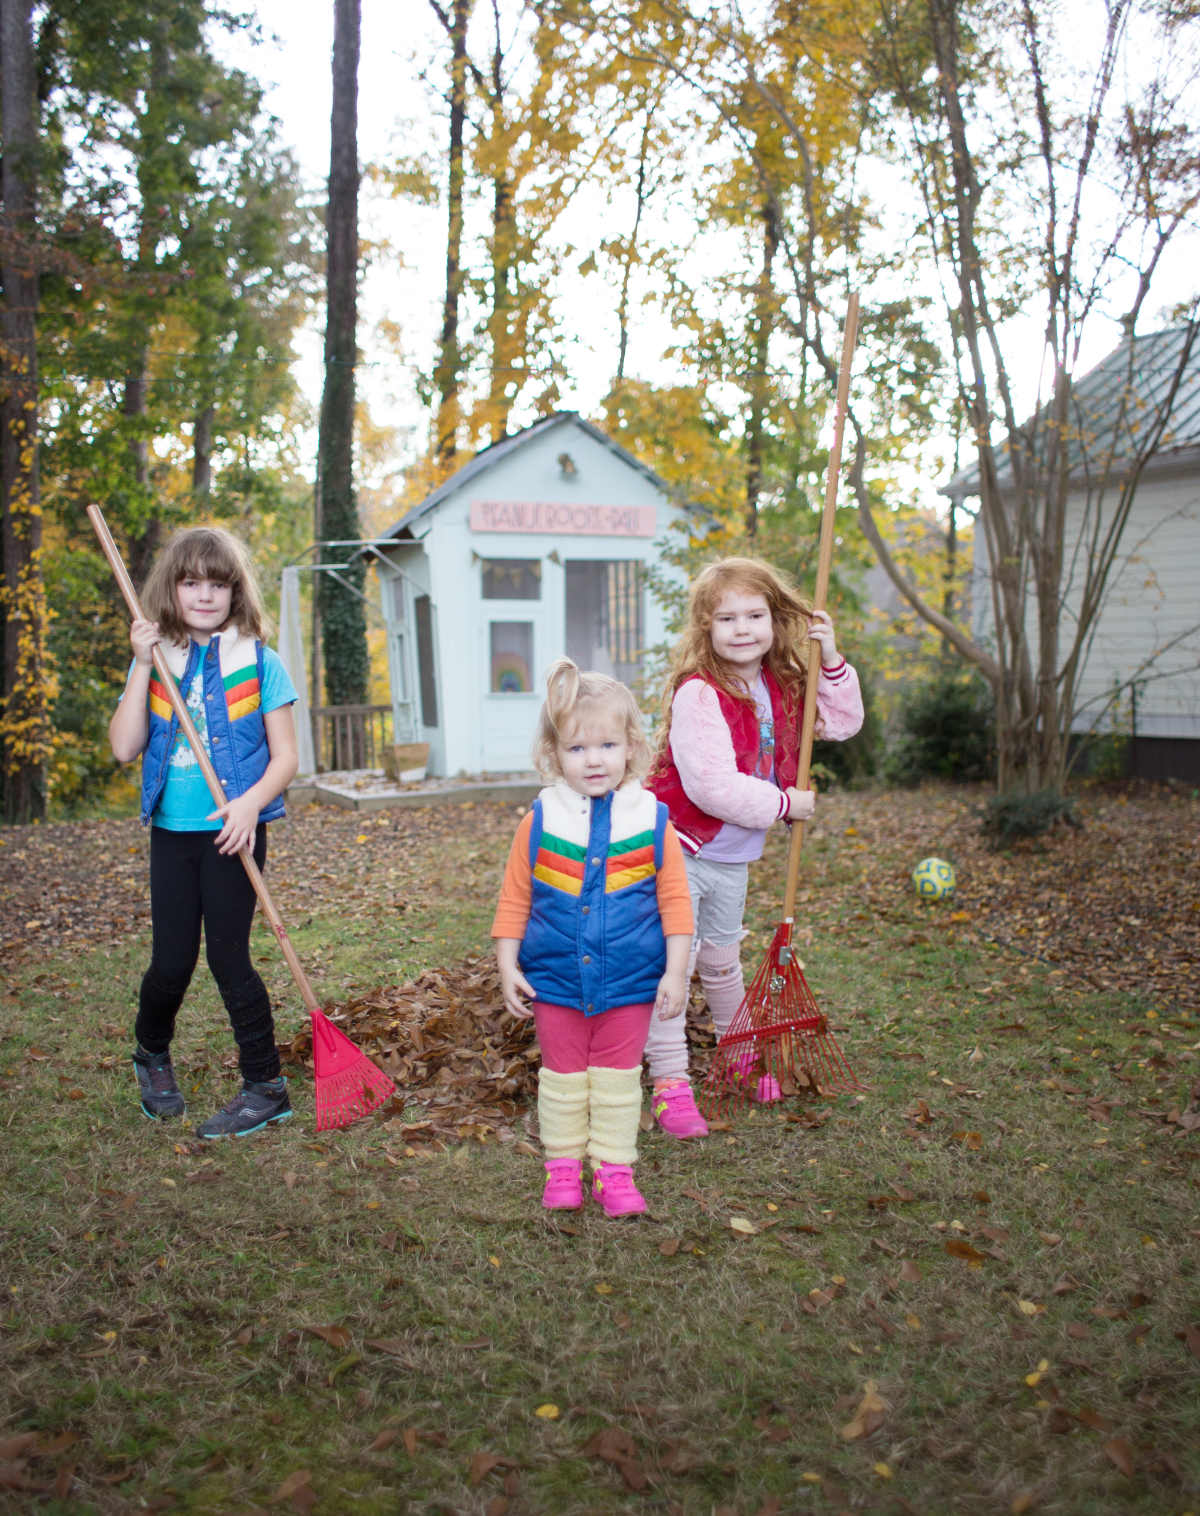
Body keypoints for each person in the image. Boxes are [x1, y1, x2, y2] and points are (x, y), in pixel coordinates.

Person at [644, 556, 864, 1138]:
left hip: (731, 856)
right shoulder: (700, 694)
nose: (742, 628)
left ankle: (735, 1056)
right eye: (727, 618)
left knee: (720, 959)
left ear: (775, 619)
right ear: (706, 629)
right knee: (676, 964)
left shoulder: (788, 684)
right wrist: (786, 805)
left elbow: (841, 725)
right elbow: (711, 786)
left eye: (755, 614)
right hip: (679, 848)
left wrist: (833, 659)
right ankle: (670, 1084)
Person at [108, 526, 300, 1140]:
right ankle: (151, 1055)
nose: (205, 595)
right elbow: (123, 747)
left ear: (235, 591)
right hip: (172, 833)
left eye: (218, 584)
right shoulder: (158, 659)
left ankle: (265, 1085)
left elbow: (286, 758)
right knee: (171, 961)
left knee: (229, 957)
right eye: (192, 582)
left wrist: (249, 808)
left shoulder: (260, 662)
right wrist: (142, 667)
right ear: (173, 588)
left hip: (232, 832)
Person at [492, 658, 694, 1216]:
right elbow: (515, 899)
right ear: (553, 754)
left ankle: (614, 1170)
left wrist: (675, 972)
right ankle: (562, 1168)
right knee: (562, 1079)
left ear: (630, 746)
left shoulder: (651, 820)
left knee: (617, 1081)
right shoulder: (540, 820)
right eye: (577, 749)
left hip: (631, 983)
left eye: (606, 745)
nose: (593, 759)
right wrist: (508, 966)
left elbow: (675, 903)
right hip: (554, 980)